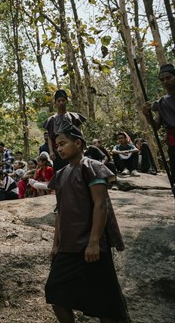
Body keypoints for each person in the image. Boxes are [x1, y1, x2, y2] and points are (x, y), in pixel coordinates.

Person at [45, 121, 127, 323]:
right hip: (68, 247)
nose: (59, 149)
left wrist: (94, 242)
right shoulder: (60, 175)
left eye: (63, 143)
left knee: (106, 305)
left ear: (79, 143)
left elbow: (101, 205)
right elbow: (60, 212)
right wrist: (56, 244)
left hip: (92, 247)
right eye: (57, 146)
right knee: (55, 292)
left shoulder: (93, 167)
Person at [143, 63, 175, 195]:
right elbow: (156, 126)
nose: (165, 82)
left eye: (168, 78)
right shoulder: (161, 103)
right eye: (162, 80)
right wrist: (146, 114)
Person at [44, 90, 87, 171]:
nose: (61, 103)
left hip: (73, 149)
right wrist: (51, 151)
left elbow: (80, 133)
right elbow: (50, 137)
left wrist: (83, 146)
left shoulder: (74, 117)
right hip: (58, 152)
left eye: (63, 100)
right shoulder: (51, 120)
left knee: (77, 170)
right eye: (58, 101)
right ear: (55, 103)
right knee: (59, 173)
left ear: (66, 101)